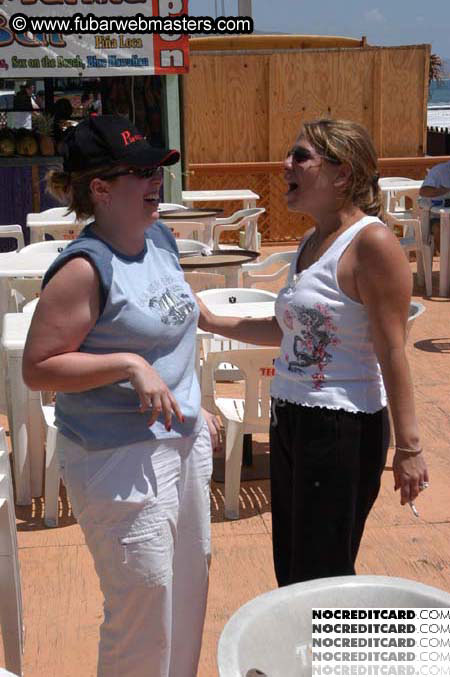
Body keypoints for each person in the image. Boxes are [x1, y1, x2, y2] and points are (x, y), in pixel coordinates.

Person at [22, 114, 220, 676]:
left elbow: (173, 331)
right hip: (119, 460)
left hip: (180, 445)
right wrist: (127, 364)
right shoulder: (83, 269)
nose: (156, 179)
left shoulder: (159, 239)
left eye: (156, 167)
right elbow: (38, 368)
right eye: (139, 171)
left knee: (186, 594)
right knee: (142, 609)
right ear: (101, 189)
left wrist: (192, 398)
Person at [198, 118, 429, 586]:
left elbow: (392, 351)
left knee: (321, 572)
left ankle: (334, 658)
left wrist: (409, 448)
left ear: (342, 174)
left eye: (301, 157)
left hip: (340, 427)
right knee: (292, 564)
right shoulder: (310, 242)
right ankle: (302, 657)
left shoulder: (372, 244)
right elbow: (293, 332)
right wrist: (209, 320)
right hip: (292, 416)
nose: (286, 164)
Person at [419, 160, 450, 253]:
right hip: (436, 217)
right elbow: (423, 191)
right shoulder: (439, 171)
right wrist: (444, 191)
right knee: (440, 229)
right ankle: (446, 264)